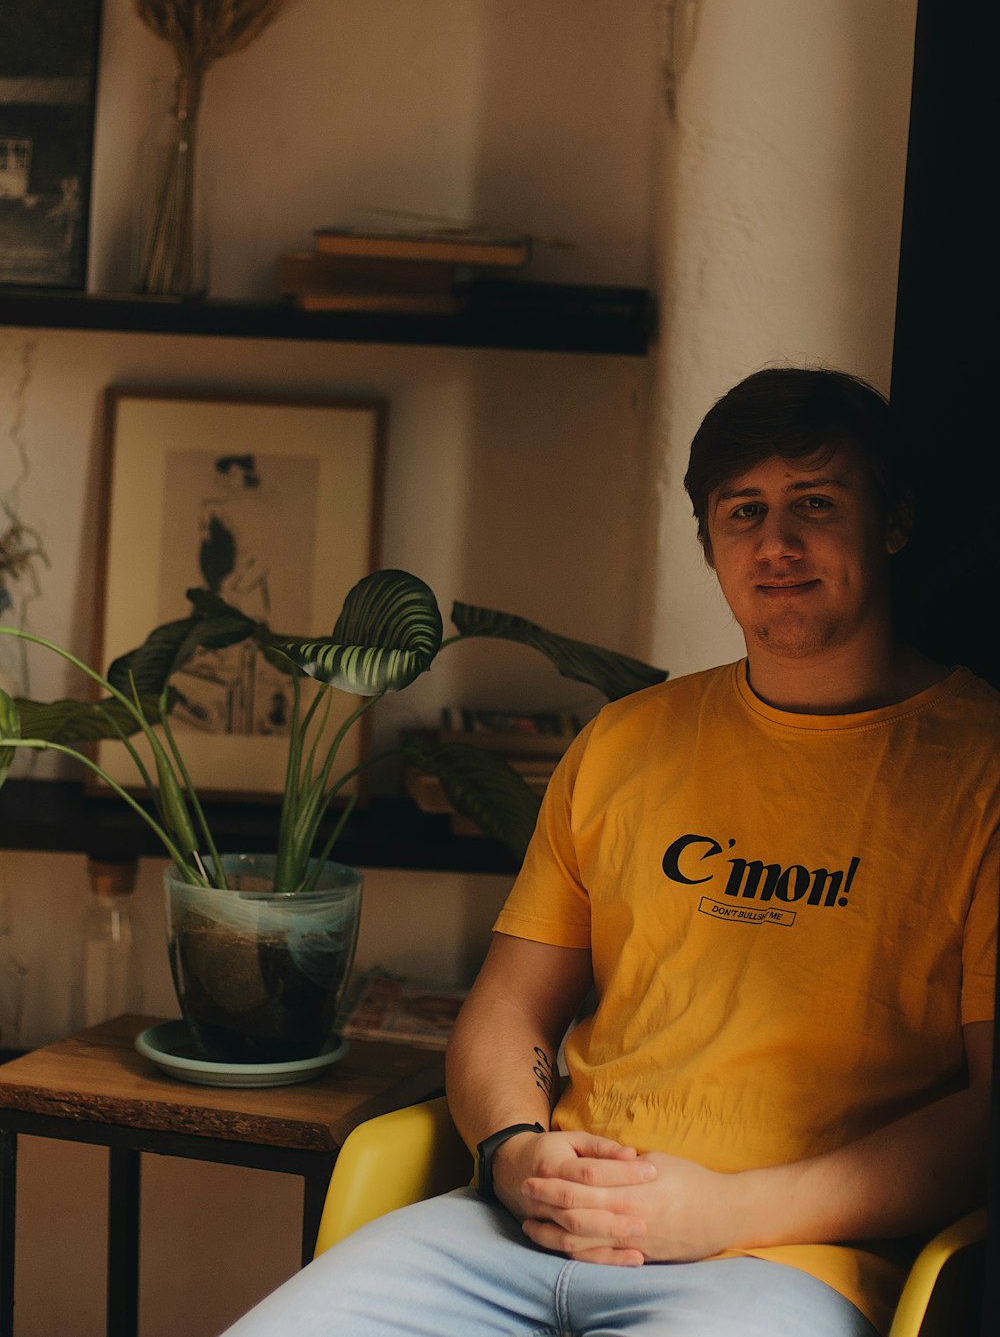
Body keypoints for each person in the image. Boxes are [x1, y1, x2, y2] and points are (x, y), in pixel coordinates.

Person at [223, 366, 997, 1337]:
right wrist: (514, 1153)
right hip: (518, 1230)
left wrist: (722, 1211)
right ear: (710, 543)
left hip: (776, 1265)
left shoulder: (978, 769)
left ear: (891, 521)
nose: (776, 544)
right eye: (741, 511)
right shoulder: (629, 741)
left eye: (814, 503)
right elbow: (509, 1008)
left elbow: (984, 1118)